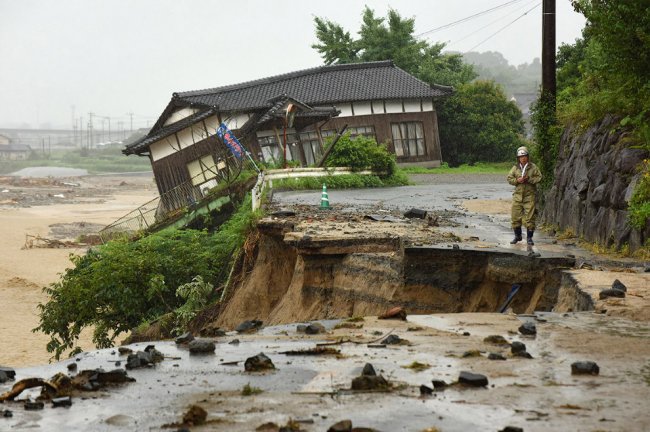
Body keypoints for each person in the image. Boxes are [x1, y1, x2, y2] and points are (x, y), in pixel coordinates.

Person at [507, 146, 542, 245]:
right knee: (515, 217)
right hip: (517, 196)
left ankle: (529, 238)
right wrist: (517, 181)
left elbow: (539, 177)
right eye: (521, 157)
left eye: (525, 156)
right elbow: (509, 178)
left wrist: (529, 179)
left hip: (529, 196)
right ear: (518, 158)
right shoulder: (515, 168)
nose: (523, 158)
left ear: (528, 156)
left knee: (530, 218)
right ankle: (517, 236)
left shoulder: (533, 167)